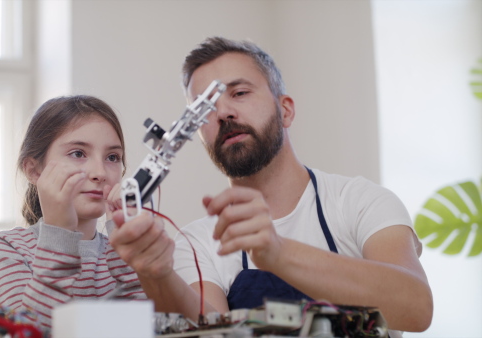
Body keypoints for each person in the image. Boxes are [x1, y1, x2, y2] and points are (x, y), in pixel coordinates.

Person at [109, 37, 433, 336]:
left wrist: (277, 253)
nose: (223, 112)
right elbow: (208, 332)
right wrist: (156, 273)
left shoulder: (360, 202)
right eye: (206, 108)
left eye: (239, 93)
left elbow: (416, 308)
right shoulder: (196, 244)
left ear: (286, 109)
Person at [0, 95, 146, 331]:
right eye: (78, 153)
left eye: (112, 157)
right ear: (34, 170)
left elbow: (141, 329)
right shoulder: (5, 249)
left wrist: (129, 254)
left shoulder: (122, 256)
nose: (100, 172)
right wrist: (59, 233)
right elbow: (28, 334)